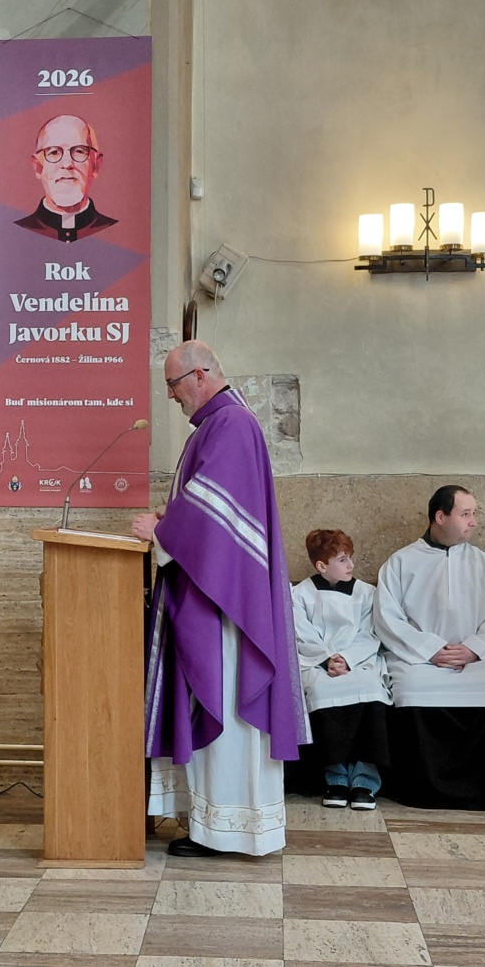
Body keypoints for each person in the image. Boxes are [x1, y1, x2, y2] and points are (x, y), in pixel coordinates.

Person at [132, 341, 309, 857]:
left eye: (173, 384)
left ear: (202, 374)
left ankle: (227, 831)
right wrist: (172, 527)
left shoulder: (230, 425)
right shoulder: (219, 424)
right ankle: (212, 826)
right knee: (219, 708)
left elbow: (214, 518)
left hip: (225, 605)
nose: (169, 397)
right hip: (217, 591)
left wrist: (164, 531)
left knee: (227, 706)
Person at [373, 484, 485, 809]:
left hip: (477, 660)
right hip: (420, 661)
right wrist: (430, 650)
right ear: (440, 516)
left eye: (473, 514)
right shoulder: (400, 563)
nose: (474, 521)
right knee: (408, 685)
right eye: (466, 514)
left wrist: (474, 649)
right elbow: (388, 619)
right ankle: (421, 788)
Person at [292, 529, 392, 811]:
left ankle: (365, 780)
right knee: (322, 688)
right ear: (322, 566)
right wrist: (326, 659)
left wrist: (347, 658)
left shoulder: (366, 594)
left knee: (370, 688)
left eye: (350, 558)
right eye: (342, 559)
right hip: (317, 661)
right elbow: (301, 632)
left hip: (359, 660)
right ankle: (335, 776)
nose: (351, 565)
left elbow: (371, 632)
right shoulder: (300, 594)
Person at [14, 114, 117, 243]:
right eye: (54, 152)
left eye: (79, 151)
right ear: (38, 167)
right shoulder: (15, 235)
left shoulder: (117, 235)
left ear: (96, 165)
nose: (67, 163)